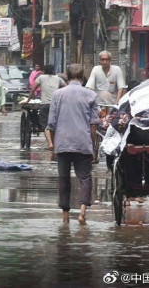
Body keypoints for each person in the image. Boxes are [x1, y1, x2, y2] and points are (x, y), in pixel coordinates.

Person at [48, 64, 99, 225]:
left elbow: (51, 123)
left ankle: (65, 217)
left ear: (68, 78)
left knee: (64, 179)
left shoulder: (57, 94)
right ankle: (82, 212)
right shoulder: (91, 95)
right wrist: (92, 148)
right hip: (82, 142)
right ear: (83, 78)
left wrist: (53, 145)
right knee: (85, 178)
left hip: (62, 143)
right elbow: (93, 125)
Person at [25, 65, 67, 151]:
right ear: (53, 71)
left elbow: (33, 89)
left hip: (45, 105)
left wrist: (28, 100)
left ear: (44, 71)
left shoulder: (41, 77)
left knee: (45, 125)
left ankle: (50, 143)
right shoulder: (58, 78)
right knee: (54, 125)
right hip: (56, 105)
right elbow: (66, 87)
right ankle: (54, 143)